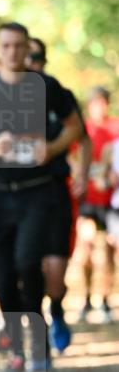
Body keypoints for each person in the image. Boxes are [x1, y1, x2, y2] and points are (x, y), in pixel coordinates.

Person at [0, 22, 83, 372]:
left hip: (38, 192)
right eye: (6, 46)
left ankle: (39, 336)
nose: (13, 52)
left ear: (28, 49)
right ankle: (17, 349)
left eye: (19, 46)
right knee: (3, 277)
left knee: (28, 263)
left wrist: (52, 148)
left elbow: (75, 127)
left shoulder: (47, 86)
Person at [25, 37, 91, 351]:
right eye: (26, 56)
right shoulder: (7, 95)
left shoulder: (59, 94)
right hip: (20, 196)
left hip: (54, 189)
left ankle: (57, 308)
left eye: (36, 56)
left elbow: (83, 137)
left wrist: (83, 174)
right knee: (26, 265)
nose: (31, 62)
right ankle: (37, 328)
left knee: (55, 270)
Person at [76, 87, 116, 323]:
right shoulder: (83, 129)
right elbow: (73, 158)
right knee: (86, 247)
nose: (98, 107)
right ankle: (87, 298)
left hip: (111, 201)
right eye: (94, 103)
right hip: (88, 200)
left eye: (102, 102)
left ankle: (106, 301)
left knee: (109, 250)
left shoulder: (116, 127)